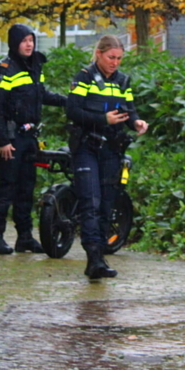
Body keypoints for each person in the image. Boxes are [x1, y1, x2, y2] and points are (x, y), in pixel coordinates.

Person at [66, 35, 149, 280]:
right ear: (99, 54)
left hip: (111, 148)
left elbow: (129, 109)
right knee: (90, 202)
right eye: (111, 57)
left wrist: (136, 122)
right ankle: (93, 258)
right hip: (86, 147)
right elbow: (72, 110)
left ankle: (100, 256)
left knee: (106, 204)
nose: (115, 63)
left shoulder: (123, 81)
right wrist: (103, 119)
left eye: (119, 58)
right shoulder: (84, 77)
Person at [0, 24, 67, 255]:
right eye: (24, 40)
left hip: (30, 138)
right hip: (12, 139)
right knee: (7, 188)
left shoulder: (34, 66)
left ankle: (25, 238)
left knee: (26, 189)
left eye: (31, 40)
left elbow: (42, 95)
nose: (29, 44)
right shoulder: (2, 71)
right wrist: (2, 141)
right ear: (14, 43)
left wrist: (68, 101)